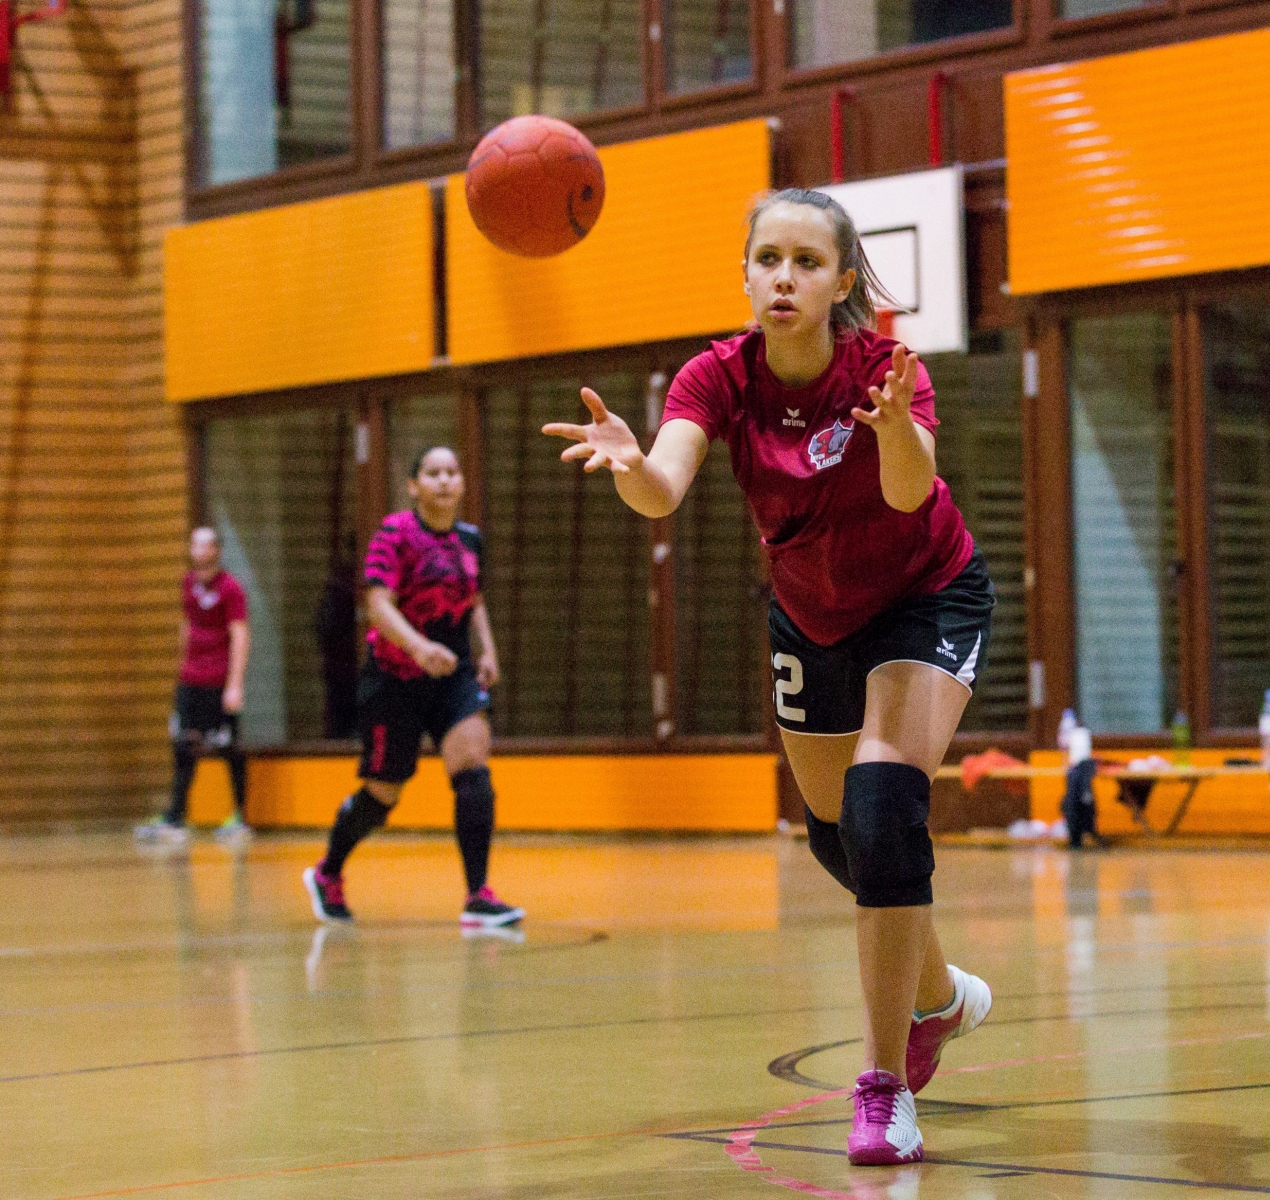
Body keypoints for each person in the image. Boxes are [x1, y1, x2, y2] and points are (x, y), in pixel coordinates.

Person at [544, 188, 993, 1167]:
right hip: (812, 617)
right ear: (746, 273)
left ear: (841, 281)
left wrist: (892, 433)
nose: (782, 276)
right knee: (842, 839)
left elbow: (913, 491)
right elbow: (664, 487)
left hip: (926, 597)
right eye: (766, 258)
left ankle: (883, 1095)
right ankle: (941, 997)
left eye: (804, 260)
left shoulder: (885, 370)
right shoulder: (718, 377)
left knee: (882, 807)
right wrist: (628, 462)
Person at [301, 447, 524, 931]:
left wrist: (488, 650)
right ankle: (328, 872)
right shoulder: (394, 534)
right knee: (384, 791)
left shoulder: (470, 540)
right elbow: (378, 605)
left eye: (452, 472)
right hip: (394, 677)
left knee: (472, 766)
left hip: (454, 673)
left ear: (462, 483)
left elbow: (476, 601)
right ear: (414, 485)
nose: (444, 480)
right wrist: (420, 648)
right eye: (433, 472)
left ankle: (477, 895)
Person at [136, 527, 251, 844]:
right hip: (191, 680)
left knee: (228, 746)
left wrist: (235, 684)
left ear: (217, 550)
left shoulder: (230, 589)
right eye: (195, 545)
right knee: (183, 746)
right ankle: (176, 817)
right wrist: (181, 668)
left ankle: (239, 816)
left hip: (219, 680)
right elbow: (187, 627)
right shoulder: (188, 583)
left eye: (206, 545)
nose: (199, 551)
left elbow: (240, 634)